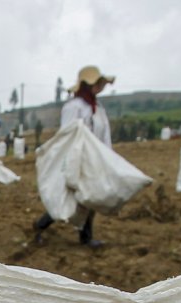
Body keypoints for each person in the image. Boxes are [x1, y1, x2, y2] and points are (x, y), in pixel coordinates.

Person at [33, 65, 114, 248]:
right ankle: (40, 225)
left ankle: (85, 238)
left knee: (90, 197)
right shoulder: (74, 107)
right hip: (77, 158)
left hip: (94, 158)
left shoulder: (98, 108)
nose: (101, 87)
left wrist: (107, 158)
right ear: (87, 84)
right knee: (69, 199)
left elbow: (104, 135)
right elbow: (67, 135)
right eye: (98, 83)